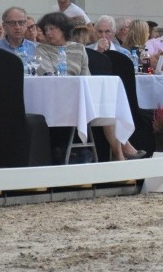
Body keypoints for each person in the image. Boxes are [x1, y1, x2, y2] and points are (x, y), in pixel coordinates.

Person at [36, 12, 143, 161]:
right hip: (57, 100)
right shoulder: (42, 49)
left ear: (63, 29)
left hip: (79, 97)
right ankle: (123, 153)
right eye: (46, 29)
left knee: (109, 106)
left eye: (52, 28)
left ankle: (120, 155)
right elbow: (47, 74)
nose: (48, 33)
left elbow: (87, 76)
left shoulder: (79, 49)